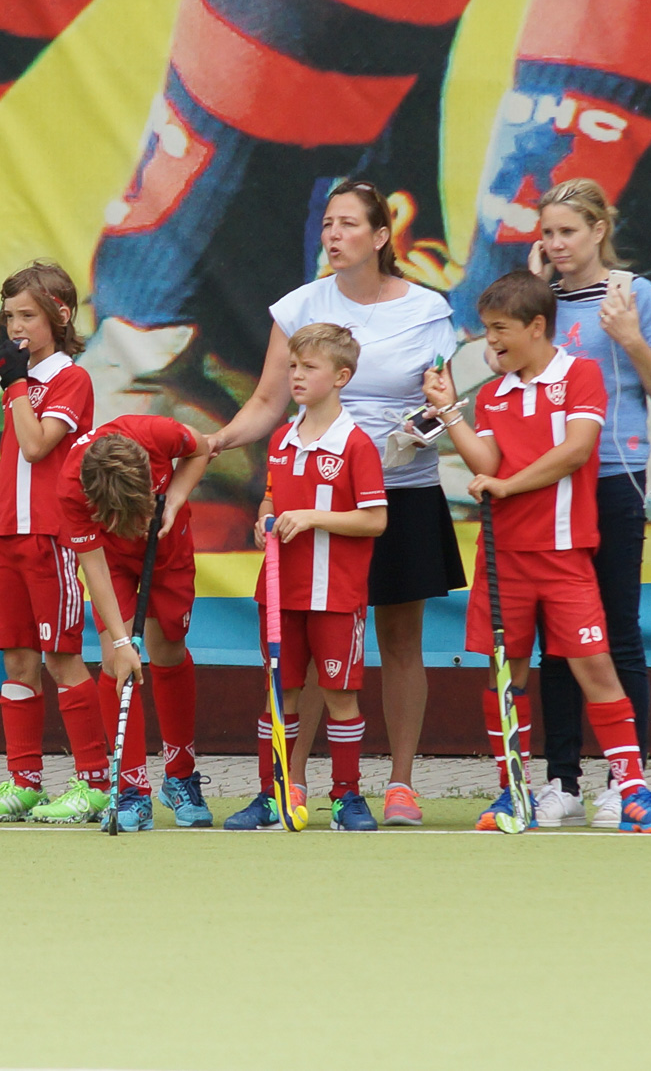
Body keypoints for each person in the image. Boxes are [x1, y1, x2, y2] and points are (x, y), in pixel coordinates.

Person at [210, 181, 465, 825]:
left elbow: (442, 400)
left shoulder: (428, 309)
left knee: (400, 640)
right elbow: (267, 401)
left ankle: (400, 786)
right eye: (327, 223)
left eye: (348, 224)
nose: (333, 234)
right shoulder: (300, 305)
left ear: (380, 236)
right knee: (313, 639)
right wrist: (217, 440)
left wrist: (417, 433)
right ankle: (290, 785)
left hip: (402, 493)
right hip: (315, 503)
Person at [424, 270, 651, 834]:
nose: (491, 340)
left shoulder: (581, 375)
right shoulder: (492, 393)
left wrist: (508, 486)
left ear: (537, 326)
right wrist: (448, 412)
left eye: (500, 329)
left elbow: (576, 452)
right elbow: (486, 464)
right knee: (506, 674)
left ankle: (632, 791)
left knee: (596, 667)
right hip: (503, 559)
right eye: (487, 329)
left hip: (564, 556)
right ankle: (512, 790)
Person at [526, 179, 651, 827]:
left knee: (617, 632)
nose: (556, 244)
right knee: (558, 639)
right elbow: (509, 376)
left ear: (599, 230)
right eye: (547, 233)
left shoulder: (634, 295)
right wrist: (529, 299)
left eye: (568, 231)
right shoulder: (538, 301)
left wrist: (630, 338)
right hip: (547, 483)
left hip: (615, 477)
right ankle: (561, 781)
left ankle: (628, 782)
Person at [224, 324, 388, 832]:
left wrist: (314, 518)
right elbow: (271, 498)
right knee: (280, 693)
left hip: (336, 594)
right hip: (281, 593)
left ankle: (346, 798)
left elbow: (375, 520)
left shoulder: (357, 444)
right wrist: (264, 519)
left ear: (341, 377)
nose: (296, 375)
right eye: (292, 366)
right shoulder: (281, 439)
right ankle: (271, 795)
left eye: (308, 367)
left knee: (341, 696)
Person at [0, 262, 107, 823]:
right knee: (18, 659)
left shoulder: (69, 378)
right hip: (7, 531)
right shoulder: (19, 381)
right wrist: (17, 384)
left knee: (61, 657)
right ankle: (24, 782)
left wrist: (16, 385)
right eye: (9, 317)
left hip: (52, 535)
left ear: (60, 315)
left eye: (27, 315)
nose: (16, 328)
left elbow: (36, 445)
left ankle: (94, 782)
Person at [47, 413, 214, 831]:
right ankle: (132, 790)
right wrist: (122, 644)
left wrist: (173, 500)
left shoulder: (155, 433)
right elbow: (95, 570)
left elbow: (202, 448)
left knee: (167, 649)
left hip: (167, 544)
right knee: (115, 659)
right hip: (113, 561)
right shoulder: (71, 487)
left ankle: (180, 776)